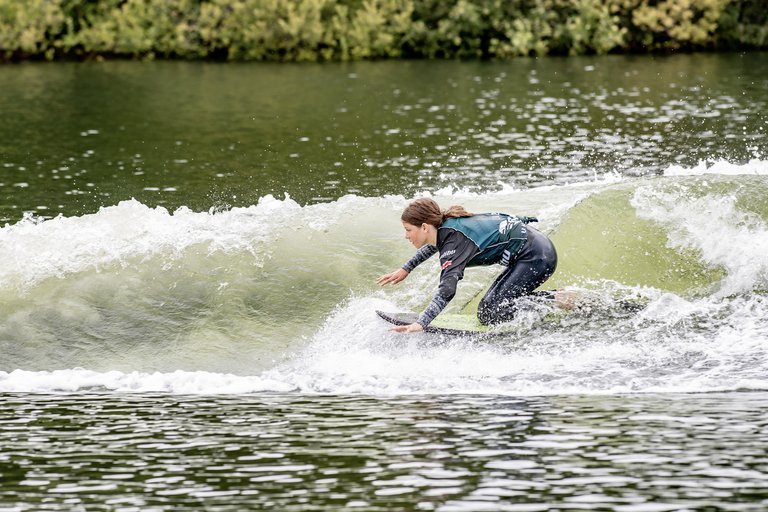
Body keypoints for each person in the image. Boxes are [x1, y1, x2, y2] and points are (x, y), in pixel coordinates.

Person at [377, 198, 558, 333]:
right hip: (532, 249)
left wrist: (421, 323)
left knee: (490, 313)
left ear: (425, 227)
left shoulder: (454, 242)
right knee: (491, 308)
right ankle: (556, 301)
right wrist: (406, 268)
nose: (406, 235)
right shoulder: (445, 227)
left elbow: (447, 290)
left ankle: (559, 300)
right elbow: (435, 245)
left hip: (537, 256)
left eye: (408, 230)